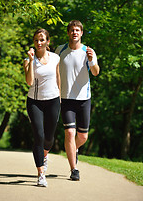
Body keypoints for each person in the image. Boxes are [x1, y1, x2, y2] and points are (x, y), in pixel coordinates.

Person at [55, 20, 100, 181]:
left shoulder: (88, 51)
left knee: (82, 137)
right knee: (69, 133)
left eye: (77, 30)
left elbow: (95, 72)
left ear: (81, 33)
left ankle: (73, 149)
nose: (74, 32)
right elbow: (54, 71)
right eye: (72, 30)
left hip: (84, 100)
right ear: (68, 33)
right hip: (66, 99)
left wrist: (91, 61)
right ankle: (74, 169)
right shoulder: (60, 50)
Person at [23, 28, 61, 187]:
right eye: (36, 40)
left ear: (47, 42)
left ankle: (44, 155)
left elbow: (58, 77)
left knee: (49, 138)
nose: (39, 43)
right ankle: (41, 174)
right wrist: (31, 61)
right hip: (35, 102)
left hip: (53, 100)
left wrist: (60, 97)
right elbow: (29, 82)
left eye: (42, 40)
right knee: (39, 135)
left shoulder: (55, 58)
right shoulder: (28, 59)